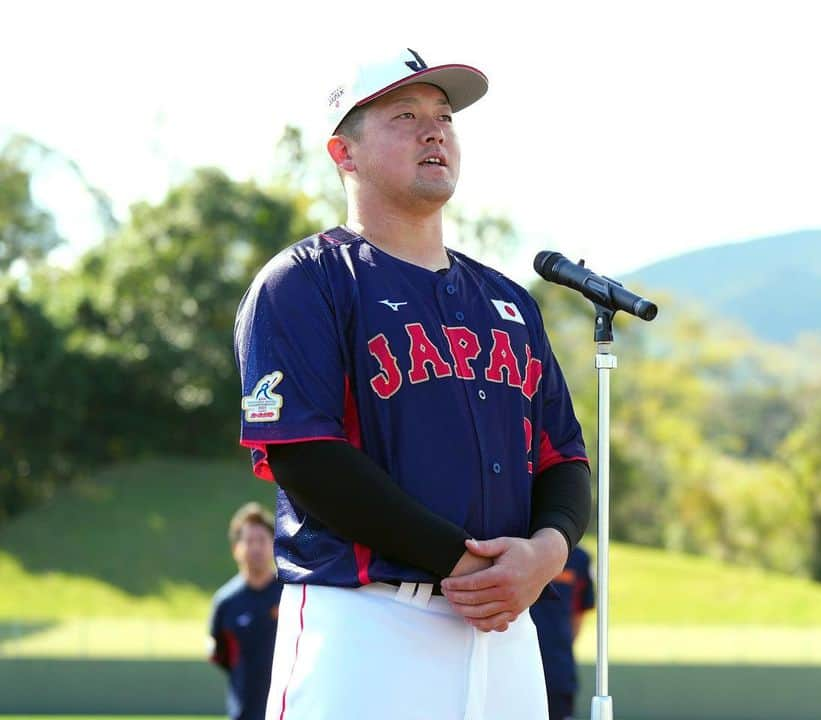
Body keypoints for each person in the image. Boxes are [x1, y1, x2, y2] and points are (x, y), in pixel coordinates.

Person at [233, 47, 591, 720]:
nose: (435, 131)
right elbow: (305, 456)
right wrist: (463, 565)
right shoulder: (305, 281)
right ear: (345, 153)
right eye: (404, 116)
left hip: (507, 632)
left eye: (444, 117)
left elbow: (562, 458)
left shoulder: (508, 300)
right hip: (367, 622)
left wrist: (548, 551)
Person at [208, 502, 283, 720]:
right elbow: (219, 654)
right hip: (243, 712)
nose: (256, 548)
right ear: (236, 549)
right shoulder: (226, 602)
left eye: (262, 540)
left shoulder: (291, 595)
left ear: (273, 544)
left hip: (288, 711)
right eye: (249, 541)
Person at [530, 545, 596, 720]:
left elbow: (578, 615)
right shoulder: (504, 542)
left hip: (557, 671)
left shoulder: (579, 559)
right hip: (506, 669)